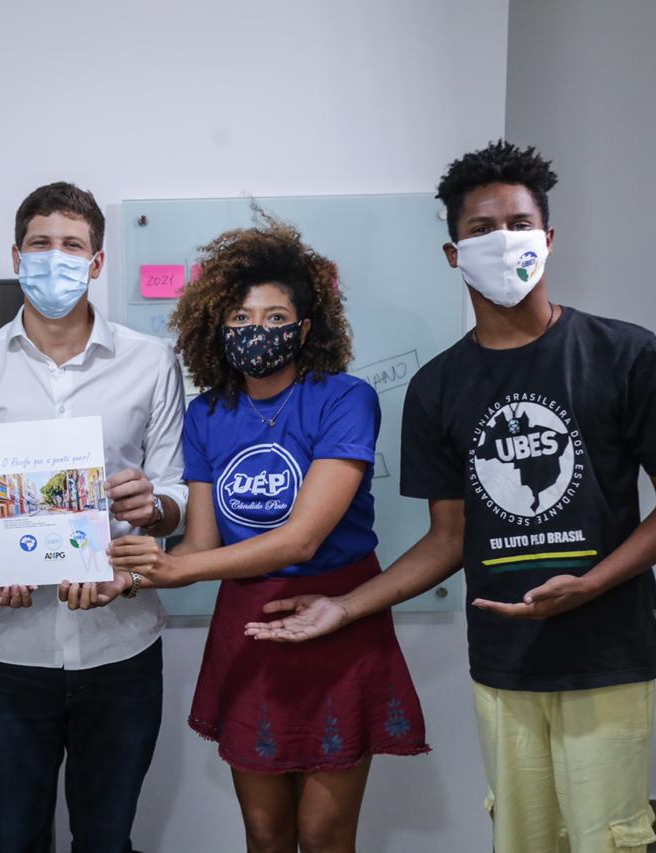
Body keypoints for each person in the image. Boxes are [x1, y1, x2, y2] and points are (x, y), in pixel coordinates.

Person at [247, 141, 656, 853]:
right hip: (504, 657)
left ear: (548, 238)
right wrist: (345, 605)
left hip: (609, 649)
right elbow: (447, 539)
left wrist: (591, 584)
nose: (504, 242)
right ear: (453, 253)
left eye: (519, 225)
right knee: (522, 838)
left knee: (607, 841)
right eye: (482, 229)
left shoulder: (623, 352)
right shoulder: (437, 387)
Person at [110, 218, 429, 853]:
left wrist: (177, 570)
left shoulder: (345, 399)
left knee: (324, 834)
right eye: (240, 318)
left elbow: (301, 540)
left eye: (275, 316)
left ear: (305, 329)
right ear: (217, 327)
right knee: (264, 833)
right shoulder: (206, 413)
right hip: (249, 627)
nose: (257, 330)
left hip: (339, 619)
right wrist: (133, 574)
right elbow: (199, 546)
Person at [0, 182, 188, 853]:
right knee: (14, 840)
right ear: (16, 256)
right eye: (40, 244)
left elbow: (173, 493)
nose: (54, 258)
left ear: (97, 261)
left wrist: (155, 506)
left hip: (122, 643)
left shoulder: (151, 361)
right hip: (7, 646)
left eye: (72, 245)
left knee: (106, 840)